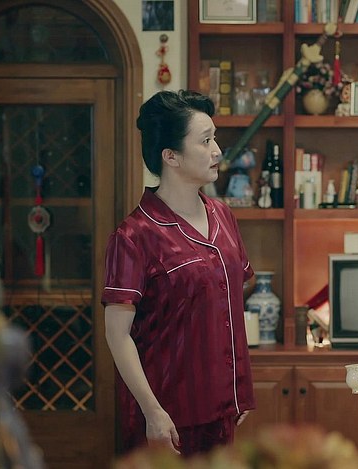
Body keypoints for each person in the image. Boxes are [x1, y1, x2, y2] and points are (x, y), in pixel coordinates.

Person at [101, 90, 255, 456]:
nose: (218, 151)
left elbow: (230, 300)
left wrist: (238, 387)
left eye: (215, 138)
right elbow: (117, 335)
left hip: (222, 409)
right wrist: (153, 412)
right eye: (205, 141)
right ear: (170, 156)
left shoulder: (223, 216)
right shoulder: (134, 235)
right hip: (167, 416)